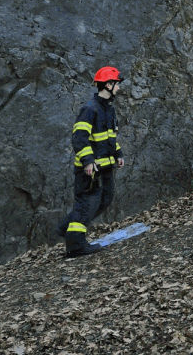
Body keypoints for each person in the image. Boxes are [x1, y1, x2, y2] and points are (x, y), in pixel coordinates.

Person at [58, 66, 125, 258]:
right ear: (108, 84)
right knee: (86, 204)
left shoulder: (109, 110)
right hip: (90, 169)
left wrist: (118, 154)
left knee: (105, 200)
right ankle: (75, 246)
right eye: (117, 84)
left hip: (105, 166)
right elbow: (79, 138)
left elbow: (110, 137)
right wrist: (88, 161)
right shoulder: (89, 109)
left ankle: (67, 228)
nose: (119, 88)